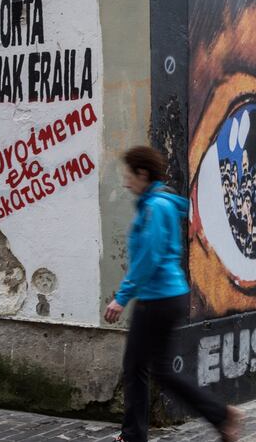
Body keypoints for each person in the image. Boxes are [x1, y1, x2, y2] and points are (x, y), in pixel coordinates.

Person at [104, 146, 241, 442]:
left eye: (128, 175)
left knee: (137, 366)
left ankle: (134, 436)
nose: (126, 182)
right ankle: (220, 416)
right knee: (158, 370)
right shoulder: (160, 202)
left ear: (142, 174)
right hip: (168, 296)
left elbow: (148, 259)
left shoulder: (155, 207)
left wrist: (121, 297)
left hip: (157, 299)